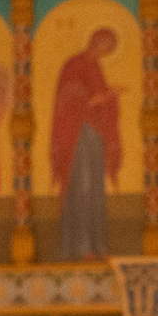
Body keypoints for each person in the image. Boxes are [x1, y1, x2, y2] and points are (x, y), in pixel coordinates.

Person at [51, 27, 123, 261]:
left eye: (110, 48)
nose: (106, 51)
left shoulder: (95, 67)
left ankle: (99, 245)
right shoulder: (75, 64)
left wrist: (109, 97)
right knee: (81, 188)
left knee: (95, 190)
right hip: (77, 134)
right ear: (95, 41)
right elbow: (69, 99)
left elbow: (98, 100)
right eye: (105, 45)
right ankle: (81, 246)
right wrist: (102, 98)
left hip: (94, 135)